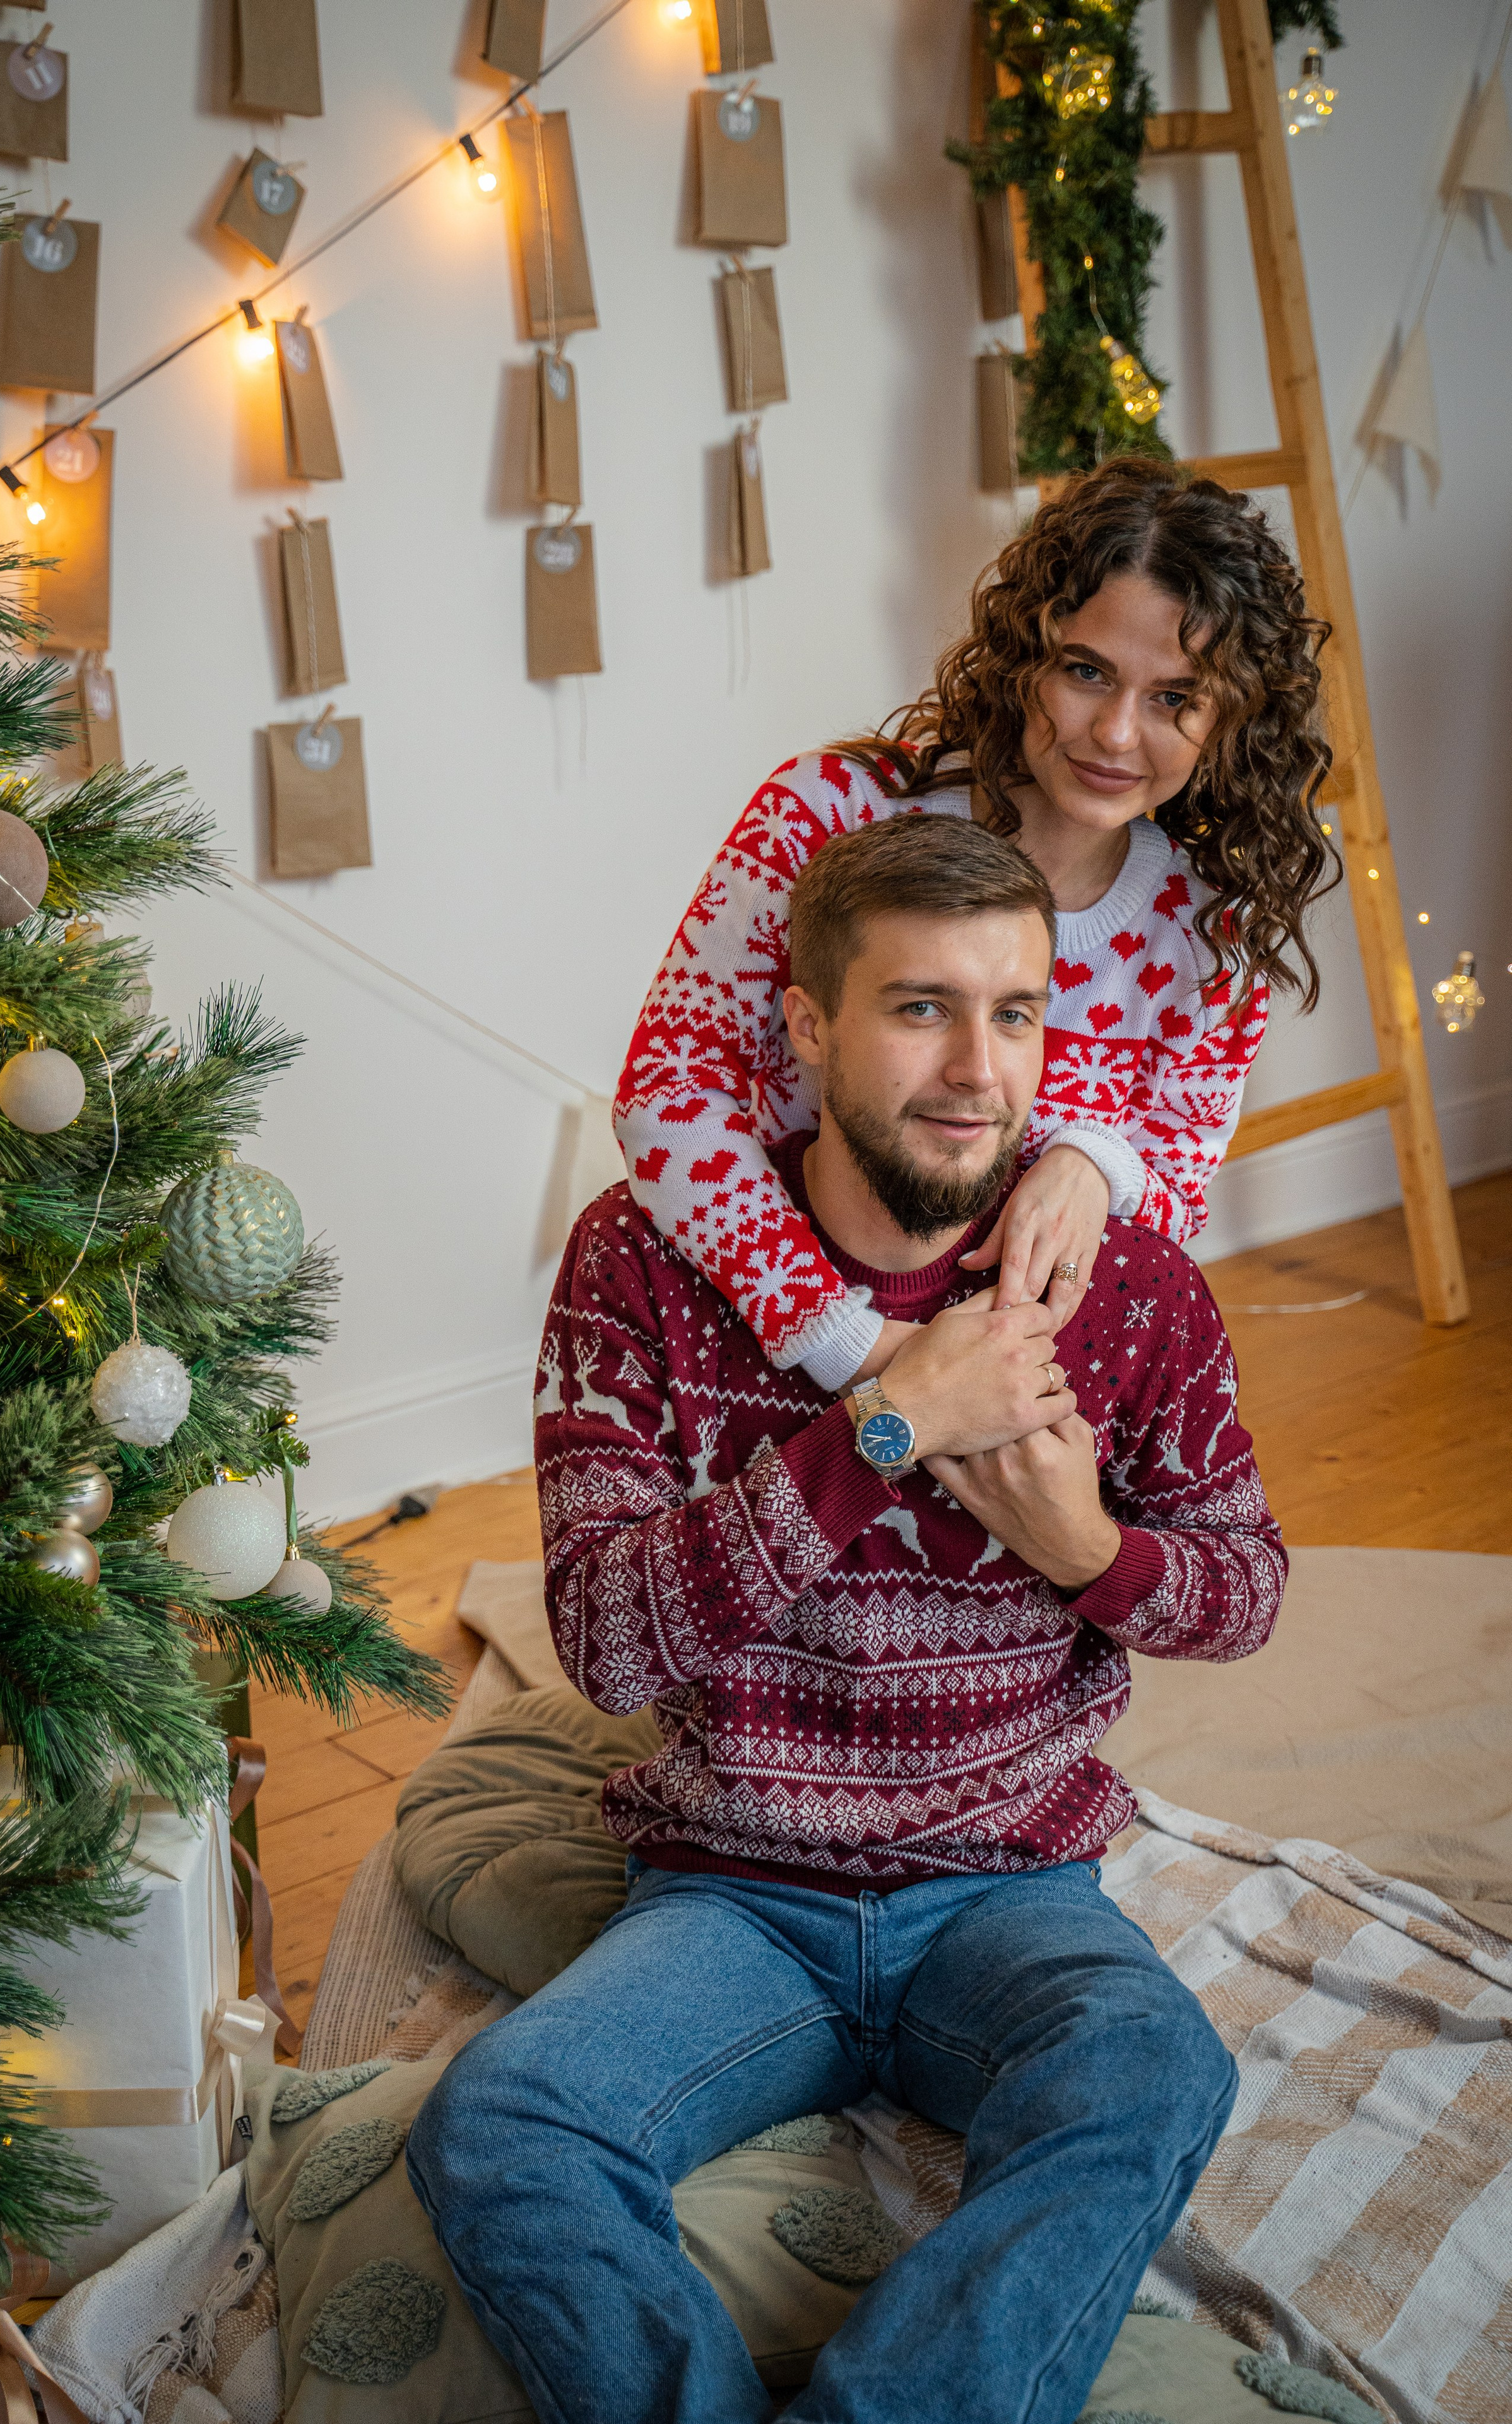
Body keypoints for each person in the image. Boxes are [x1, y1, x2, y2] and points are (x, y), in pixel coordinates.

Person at [408, 815, 1286, 2424]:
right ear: (807, 1027)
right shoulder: (640, 1263)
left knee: (1155, 2074)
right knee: (500, 2128)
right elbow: (605, 1644)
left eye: (1013, 1012)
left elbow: (1245, 1587)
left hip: (1010, 1884)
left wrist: (1084, 1545)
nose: (976, 1068)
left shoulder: (1128, 1284)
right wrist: (883, 1429)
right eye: (918, 1009)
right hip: (730, 1898)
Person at [615, 455, 1337, 1393]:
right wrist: (855, 1350)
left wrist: (1095, 1164)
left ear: (1232, 720)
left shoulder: (1209, 929)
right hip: (780, 1338)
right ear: (1024, 656)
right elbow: (669, 1091)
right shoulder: (822, 814)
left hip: (1023, 1363)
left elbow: (1178, 1175)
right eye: (1087, 671)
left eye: (1174, 698)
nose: (1118, 735)